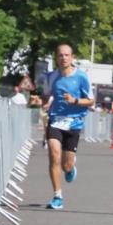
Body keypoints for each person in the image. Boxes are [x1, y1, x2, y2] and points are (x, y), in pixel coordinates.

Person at [43, 43, 94, 210]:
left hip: (74, 122)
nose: (63, 58)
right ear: (56, 58)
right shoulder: (51, 77)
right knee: (53, 153)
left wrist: (75, 101)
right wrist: (42, 102)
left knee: (66, 164)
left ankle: (70, 168)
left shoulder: (81, 77)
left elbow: (91, 101)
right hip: (55, 120)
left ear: (72, 58)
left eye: (66, 55)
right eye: (60, 55)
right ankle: (57, 196)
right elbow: (46, 96)